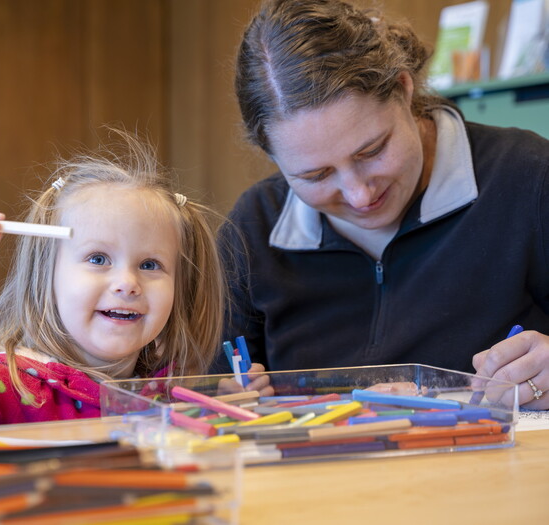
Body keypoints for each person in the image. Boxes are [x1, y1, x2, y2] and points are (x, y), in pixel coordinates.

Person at [217, 0, 549, 409]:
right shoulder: (253, 228)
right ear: (273, 158)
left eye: (372, 150)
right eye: (316, 176)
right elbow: (212, 386)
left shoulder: (529, 177)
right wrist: (221, 396)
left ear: (405, 90)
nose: (360, 195)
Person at [0, 132, 268, 429]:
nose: (127, 282)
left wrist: (219, 408)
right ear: (44, 276)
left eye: (150, 265)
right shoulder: (7, 386)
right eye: (98, 258)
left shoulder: (168, 389)